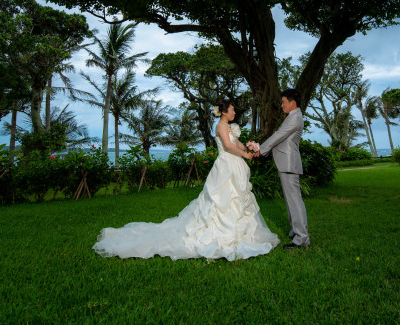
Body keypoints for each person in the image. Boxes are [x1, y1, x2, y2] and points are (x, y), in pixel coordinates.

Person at [93, 100, 279, 261]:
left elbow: (236, 142)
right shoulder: (221, 126)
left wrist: (248, 150)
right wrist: (245, 155)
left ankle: (242, 232)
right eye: (232, 110)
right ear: (223, 112)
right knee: (221, 199)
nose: (234, 112)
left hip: (235, 164)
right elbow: (229, 146)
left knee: (238, 198)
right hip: (225, 165)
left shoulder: (230, 126)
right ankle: (221, 232)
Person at [250, 88, 310, 249]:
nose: (282, 105)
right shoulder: (293, 116)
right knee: (291, 200)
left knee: (295, 201)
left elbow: (278, 136)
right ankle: (296, 231)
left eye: (284, 102)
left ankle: (302, 238)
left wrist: (260, 150)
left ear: (292, 102)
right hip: (286, 162)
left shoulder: (294, 118)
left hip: (289, 163)